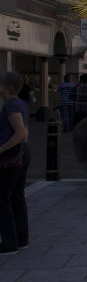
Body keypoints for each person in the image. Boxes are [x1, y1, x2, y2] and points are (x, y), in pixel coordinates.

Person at [0, 72, 29, 254]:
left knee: (3, 198)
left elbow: (20, 132)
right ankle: (21, 238)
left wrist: (2, 149)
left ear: (6, 86)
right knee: (17, 197)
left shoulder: (10, 105)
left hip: (11, 155)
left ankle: (9, 243)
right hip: (22, 153)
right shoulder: (21, 103)